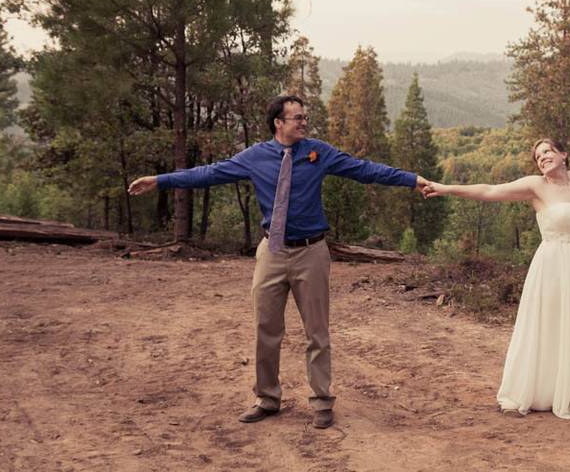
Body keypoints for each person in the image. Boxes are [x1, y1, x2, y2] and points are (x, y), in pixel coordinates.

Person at [128, 95, 429, 429]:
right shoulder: (255, 157)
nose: (303, 122)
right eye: (296, 118)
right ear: (279, 123)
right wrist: (160, 180)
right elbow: (209, 173)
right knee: (265, 328)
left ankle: (322, 401)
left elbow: (365, 170)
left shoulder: (319, 152)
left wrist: (411, 180)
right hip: (271, 251)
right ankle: (267, 399)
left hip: (311, 252)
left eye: (304, 117)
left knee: (317, 331)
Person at [422, 138, 570, 419]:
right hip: (553, 267)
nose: (542, 158)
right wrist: (445, 188)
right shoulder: (536, 186)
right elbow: (489, 190)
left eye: (547, 152)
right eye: (537, 156)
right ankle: (537, 391)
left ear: (564, 154)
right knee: (550, 324)